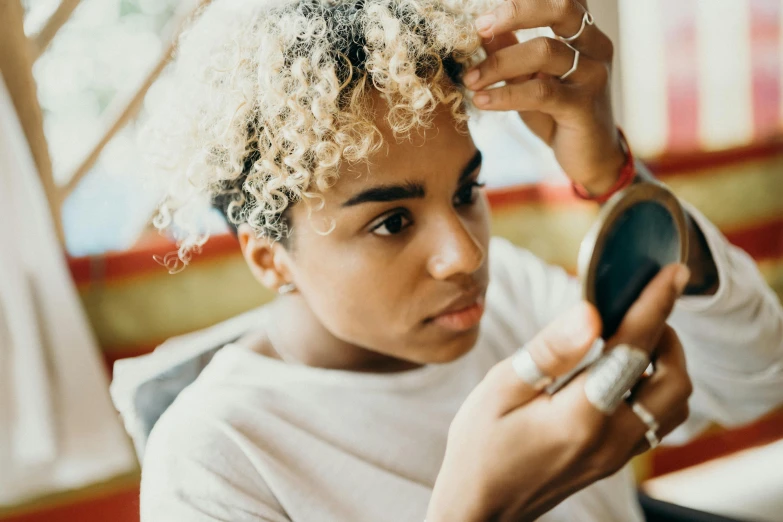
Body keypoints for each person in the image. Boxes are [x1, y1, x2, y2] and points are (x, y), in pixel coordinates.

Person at [128, 0, 783, 520]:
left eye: (467, 191)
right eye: (390, 222)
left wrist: (616, 179)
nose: (465, 254)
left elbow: (754, 381)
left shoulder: (512, 297)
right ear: (270, 261)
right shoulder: (218, 460)